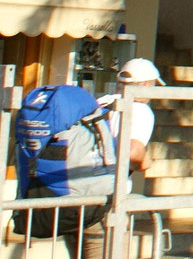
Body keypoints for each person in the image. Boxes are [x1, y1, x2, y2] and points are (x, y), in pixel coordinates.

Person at [68, 58, 160, 259]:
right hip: (104, 201)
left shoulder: (101, 103)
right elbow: (132, 152)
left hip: (73, 195)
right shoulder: (139, 110)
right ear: (146, 84)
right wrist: (146, 163)